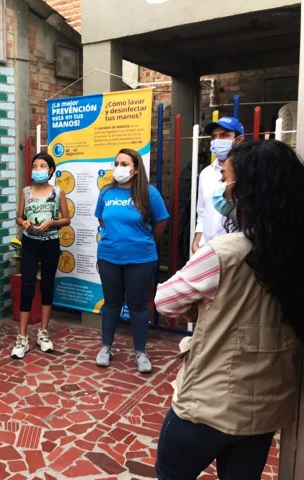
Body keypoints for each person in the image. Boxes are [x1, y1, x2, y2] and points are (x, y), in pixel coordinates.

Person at [154, 140, 304, 480]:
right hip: (264, 408)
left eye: (225, 178)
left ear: (248, 189)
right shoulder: (296, 251)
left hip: (208, 405)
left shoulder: (224, 253)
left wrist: (198, 306)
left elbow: (165, 301)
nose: (221, 189)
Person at [94, 148, 169, 373]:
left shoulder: (149, 193)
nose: (119, 168)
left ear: (135, 169)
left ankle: (140, 352)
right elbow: (102, 219)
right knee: (112, 303)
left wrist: (141, 242)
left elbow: (160, 224)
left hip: (141, 258)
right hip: (109, 256)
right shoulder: (106, 192)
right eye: (116, 163)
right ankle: (106, 347)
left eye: (125, 164)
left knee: (137, 305)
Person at [11, 152, 70, 359]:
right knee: (27, 286)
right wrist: (24, 222)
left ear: (51, 170)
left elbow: (66, 219)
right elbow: (19, 217)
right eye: (35, 166)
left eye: (42, 166)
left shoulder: (58, 192)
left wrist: (52, 223)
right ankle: (22, 336)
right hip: (29, 243)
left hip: (51, 243)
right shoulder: (26, 192)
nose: (38, 170)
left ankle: (43, 333)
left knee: (47, 285)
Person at [191, 116, 245, 254]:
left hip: (236, 251)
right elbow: (202, 212)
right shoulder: (206, 173)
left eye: (224, 135)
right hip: (207, 249)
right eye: (214, 137)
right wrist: (197, 240)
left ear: (239, 140)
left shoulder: (250, 173)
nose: (217, 141)